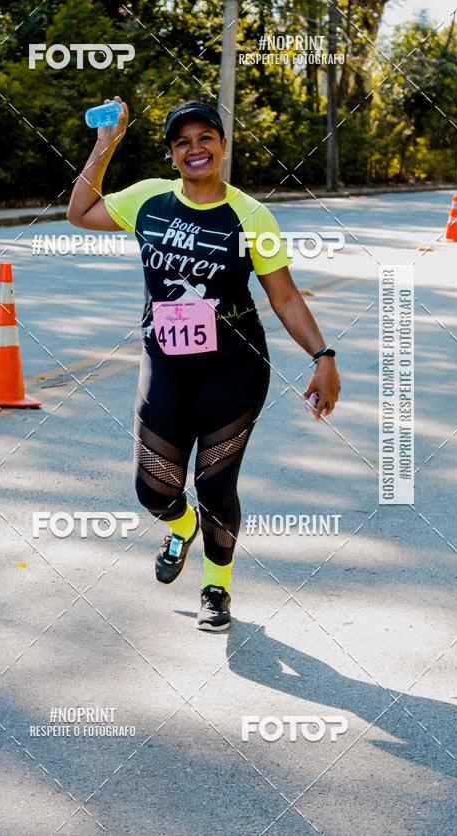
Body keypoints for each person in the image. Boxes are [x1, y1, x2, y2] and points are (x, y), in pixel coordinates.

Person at [67, 96, 341, 631]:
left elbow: (283, 296)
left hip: (234, 367)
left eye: (205, 138)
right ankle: (182, 525)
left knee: (217, 486)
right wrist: (105, 145)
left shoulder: (250, 215)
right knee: (154, 490)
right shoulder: (147, 200)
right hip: (166, 362)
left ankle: (217, 588)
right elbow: (79, 213)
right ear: (172, 155)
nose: (195, 149)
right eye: (182, 142)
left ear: (221, 145)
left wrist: (322, 356)